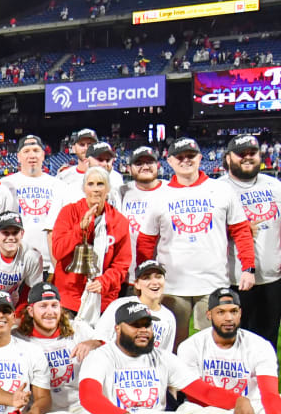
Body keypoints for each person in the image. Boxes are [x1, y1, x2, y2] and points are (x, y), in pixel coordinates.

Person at [77, 300, 256, 414]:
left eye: (147, 325)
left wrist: (238, 401)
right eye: (135, 325)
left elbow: (204, 392)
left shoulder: (162, 357)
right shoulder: (101, 356)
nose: (143, 330)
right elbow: (88, 396)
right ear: (118, 329)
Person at [136, 137, 255, 345]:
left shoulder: (221, 190)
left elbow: (241, 231)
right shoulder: (159, 196)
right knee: (170, 345)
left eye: (190, 156)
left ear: (200, 158)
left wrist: (249, 267)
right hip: (172, 285)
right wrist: (144, 278)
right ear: (170, 161)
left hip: (213, 282)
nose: (185, 161)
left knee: (213, 345)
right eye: (179, 157)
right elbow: (146, 241)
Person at [176, 287, 280, 414]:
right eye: (221, 312)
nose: (229, 318)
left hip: (252, 411)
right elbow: (195, 392)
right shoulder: (190, 346)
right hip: (207, 408)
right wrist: (237, 401)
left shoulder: (260, 345)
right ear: (209, 315)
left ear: (240, 313)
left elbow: (269, 392)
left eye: (233, 311)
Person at [218, 134, 281, 348]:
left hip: (273, 277)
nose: (247, 158)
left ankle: (265, 379)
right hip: (234, 278)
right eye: (241, 154)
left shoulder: (274, 186)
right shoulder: (216, 189)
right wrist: (232, 230)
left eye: (252, 153)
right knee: (234, 340)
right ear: (228, 158)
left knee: (269, 338)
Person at [51, 167, 131, 319]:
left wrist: (104, 282)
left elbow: (122, 264)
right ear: (84, 188)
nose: (95, 189)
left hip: (103, 299)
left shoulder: (119, 221)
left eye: (100, 184)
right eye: (91, 184)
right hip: (69, 298)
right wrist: (80, 229)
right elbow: (58, 251)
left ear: (108, 188)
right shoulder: (69, 212)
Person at [15, 282, 101, 414]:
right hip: (42, 411)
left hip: (79, 406)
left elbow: (113, 347)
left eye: (54, 306)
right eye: (43, 306)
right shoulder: (18, 339)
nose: (50, 312)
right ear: (31, 311)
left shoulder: (78, 329)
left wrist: (95, 343)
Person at [94, 261, 176, 352]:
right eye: (147, 278)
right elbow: (99, 338)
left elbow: (164, 355)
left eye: (158, 277)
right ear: (137, 284)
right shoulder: (119, 305)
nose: (154, 282)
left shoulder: (169, 317)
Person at [114, 146, 165, 282]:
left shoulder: (170, 190)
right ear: (129, 169)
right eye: (139, 163)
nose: (145, 167)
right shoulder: (121, 192)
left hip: (166, 275)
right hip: (130, 275)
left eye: (149, 162)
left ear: (158, 165)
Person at [1, 134, 65, 239]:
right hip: (17, 250)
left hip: (49, 250)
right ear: (18, 157)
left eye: (36, 150)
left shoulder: (59, 186)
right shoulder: (5, 185)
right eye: (26, 151)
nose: (32, 155)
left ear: (43, 155)